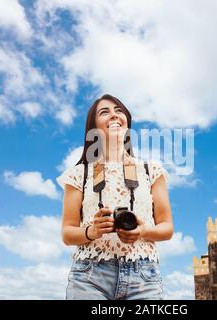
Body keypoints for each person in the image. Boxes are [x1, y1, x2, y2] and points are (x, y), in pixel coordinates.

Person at [57, 94, 174, 300]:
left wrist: (143, 231)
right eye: (105, 112)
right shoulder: (78, 174)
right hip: (89, 276)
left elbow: (167, 228)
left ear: (127, 122)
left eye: (119, 111)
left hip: (144, 276)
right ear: (93, 127)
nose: (114, 115)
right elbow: (67, 233)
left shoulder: (151, 171)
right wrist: (92, 231)